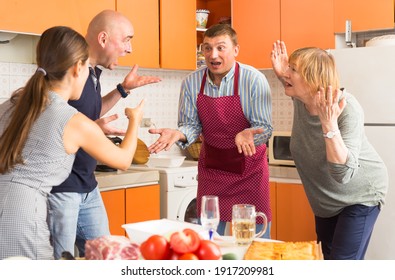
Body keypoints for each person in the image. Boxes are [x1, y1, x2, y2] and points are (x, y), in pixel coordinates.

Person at [0, 26, 144, 260]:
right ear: (78, 67)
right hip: (23, 218)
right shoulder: (71, 119)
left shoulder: (12, 104)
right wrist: (135, 119)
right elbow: (124, 159)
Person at [48, 10, 161, 259]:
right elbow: (118, 157)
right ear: (103, 39)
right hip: (63, 189)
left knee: (106, 259)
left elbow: (88, 112)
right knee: (60, 264)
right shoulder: (74, 71)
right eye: (127, 39)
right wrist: (135, 119)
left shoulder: (93, 72)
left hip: (87, 185)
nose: (129, 48)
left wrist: (122, 90)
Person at [148, 24, 273, 237]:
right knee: (209, 239)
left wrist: (247, 134)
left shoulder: (253, 80)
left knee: (256, 241)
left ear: (235, 50)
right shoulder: (191, 82)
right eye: (207, 48)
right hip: (213, 170)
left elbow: (266, 128)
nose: (212, 55)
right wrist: (179, 133)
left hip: (249, 170)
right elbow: (191, 124)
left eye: (220, 48)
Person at [271, 40, 388, 260]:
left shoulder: (346, 109)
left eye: (292, 69)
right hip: (325, 202)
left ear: (312, 79)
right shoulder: (301, 97)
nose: (286, 73)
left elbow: (343, 174)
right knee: (328, 260)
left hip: (359, 195)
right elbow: (294, 85)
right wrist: (282, 73)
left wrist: (329, 124)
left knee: (341, 265)